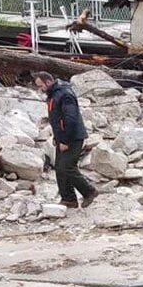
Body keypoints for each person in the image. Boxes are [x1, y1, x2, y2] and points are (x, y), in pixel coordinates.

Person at [33, 71, 98, 208]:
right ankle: (68, 199)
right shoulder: (54, 94)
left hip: (73, 137)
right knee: (60, 168)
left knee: (67, 166)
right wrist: (58, 138)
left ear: (48, 82)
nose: (40, 90)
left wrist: (65, 140)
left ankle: (89, 191)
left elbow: (71, 119)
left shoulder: (64, 94)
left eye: (41, 86)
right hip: (62, 137)